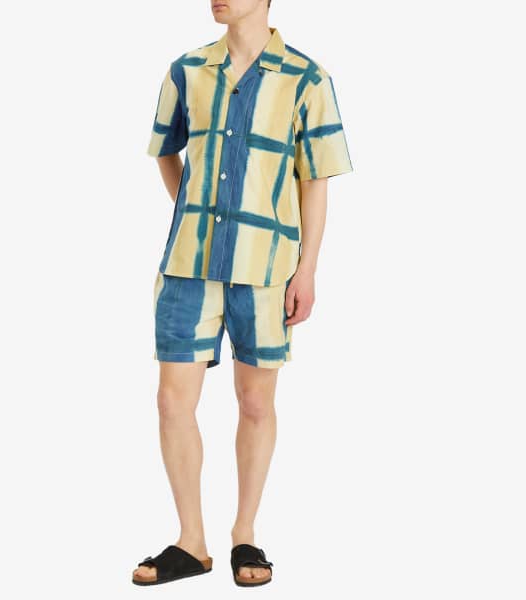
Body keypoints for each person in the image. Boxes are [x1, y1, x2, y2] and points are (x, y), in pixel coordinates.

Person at [132, 0, 353, 587]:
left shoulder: (307, 79)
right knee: (171, 401)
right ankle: (191, 542)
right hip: (188, 265)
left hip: (266, 268)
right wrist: (191, 210)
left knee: (255, 403)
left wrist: (307, 270)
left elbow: (315, 180)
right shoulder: (187, 71)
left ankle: (245, 534)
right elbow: (166, 151)